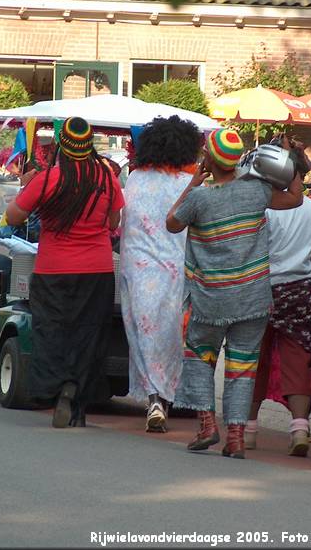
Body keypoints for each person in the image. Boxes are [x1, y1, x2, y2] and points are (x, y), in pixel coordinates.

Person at [167, 128, 303, 459]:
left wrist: (193, 182)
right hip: (253, 297)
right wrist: (293, 160)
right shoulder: (257, 191)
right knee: (242, 367)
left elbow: (172, 222)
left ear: (209, 158)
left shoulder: (200, 198)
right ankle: (237, 438)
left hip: (210, 298)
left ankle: (207, 426)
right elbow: (296, 197)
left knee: (200, 358)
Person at [4, 116, 124, 428]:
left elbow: (13, 215)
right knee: (89, 335)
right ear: (89, 146)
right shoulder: (107, 178)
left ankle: (57, 392)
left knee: (53, 333)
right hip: (97, 270)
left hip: (53, 269)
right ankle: (79, 404)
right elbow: (114, 224)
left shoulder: (48, 179)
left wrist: (28, 187)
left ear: (62, 146)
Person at [118, 116, 202, 433]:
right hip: (179, 269)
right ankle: (165, 397)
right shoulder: (189, 184)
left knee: (142, 334)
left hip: (137, 270)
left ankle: (154, 396)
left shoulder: (135, 179)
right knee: (172, 335)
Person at [246, 145, 311, 456]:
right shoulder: (309, 207)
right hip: (299, 289)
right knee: (297, 359)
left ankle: (249, 429)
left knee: (254, 358)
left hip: (259, 288)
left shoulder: (259, 208)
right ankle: (299, 428)